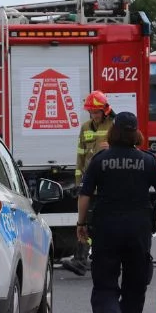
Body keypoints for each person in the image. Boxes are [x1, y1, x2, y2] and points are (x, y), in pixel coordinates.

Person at [76, 111, 156, 313]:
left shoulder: (100, 160)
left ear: (114, 131)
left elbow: (85, 194)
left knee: (104, 281)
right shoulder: (148, 160)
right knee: (135, 284)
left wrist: (81, 224)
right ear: (136, 133)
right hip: (138, 230)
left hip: (106, 229)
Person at [60, 90, 114, 275]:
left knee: (106, 222)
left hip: (108, 183)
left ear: (105, 110)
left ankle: (104, 258)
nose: (94, 115)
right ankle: (80, 260)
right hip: (90, 182)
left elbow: (128, 147)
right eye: (91, 112)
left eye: (97, 112)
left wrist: (112, 147)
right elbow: (80, 157)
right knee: (85, 221)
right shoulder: (85, 128)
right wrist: (78, 182)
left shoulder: (114, 126)